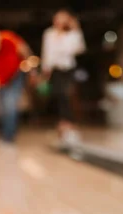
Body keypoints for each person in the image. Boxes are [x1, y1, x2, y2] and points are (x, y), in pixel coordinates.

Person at [41, 9, 86, 141]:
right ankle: (64, 121)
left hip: (68, 68)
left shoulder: (72, 33)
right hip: (55, 69)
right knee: (58, 94)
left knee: (67, 93)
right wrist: (45, 69)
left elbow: (79, 48)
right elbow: (47, 52)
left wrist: (76, 30)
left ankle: (68, 122)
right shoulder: (49, 33)